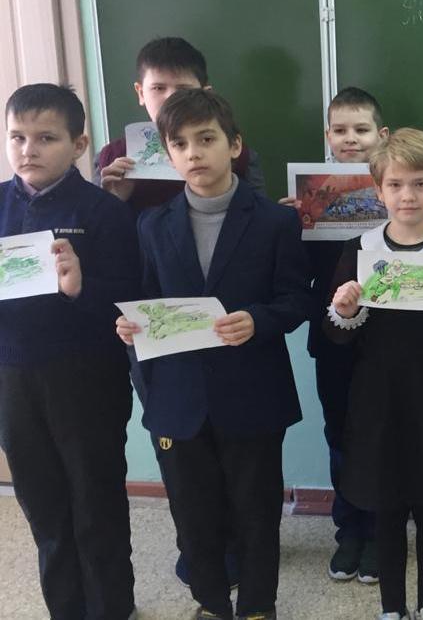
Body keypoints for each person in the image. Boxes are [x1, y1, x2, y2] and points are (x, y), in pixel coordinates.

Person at [116, 88, 311, 620]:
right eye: (179, 144)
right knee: (193, 515)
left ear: (235, 145)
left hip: (252, 395)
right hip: (178, 399)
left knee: (256, 511)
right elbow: (146, 300)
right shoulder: (152, 224)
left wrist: (259, 320)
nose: (194, 153)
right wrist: (130, 328)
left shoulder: (274, 221)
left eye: (206, 139)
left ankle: (257, 606)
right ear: (168, 154)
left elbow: (297, 299)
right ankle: (210, 603)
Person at [281, 87, 423, 584]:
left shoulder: (401, 190)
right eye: (340, 130)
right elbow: (296, 275)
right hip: (334, 336)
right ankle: (349, 530)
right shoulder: (311, 195)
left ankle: (382, 532)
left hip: (392, 341)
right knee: (341, 435)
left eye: (361, 129)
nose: (350, 139)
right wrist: (288, 223)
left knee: (387, 435)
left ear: (382, 135)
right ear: (327, 137)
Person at [324, 128, 423, 620]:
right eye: (395, 185)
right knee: (388, 508)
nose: (407, 196)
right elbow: (336, 337)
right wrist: (344, 310)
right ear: (379, 190)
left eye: (420, 184)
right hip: (377, 399)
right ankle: (392, 608)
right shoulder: (360, 249)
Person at [0, 83, 139, 620]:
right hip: (14, 375)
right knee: (41, 501)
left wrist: (82, 288)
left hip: (87, 375)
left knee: (95, 498)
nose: (28, 150)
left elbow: (131, 301)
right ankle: (66, 608)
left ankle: (111, 608)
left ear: (79, 144)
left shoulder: (104, 212)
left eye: (45, 138)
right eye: (17, 137)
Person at [96, 36, 265, 212]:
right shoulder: (110, 159)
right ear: (141, 93)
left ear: (205, 94)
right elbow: (95, 227)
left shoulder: (238, 155)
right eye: (158, 88)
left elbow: (260, 216)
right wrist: (112, 201)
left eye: (183, 89)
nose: (170, 98)